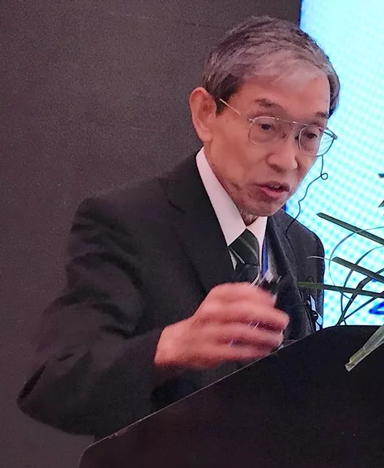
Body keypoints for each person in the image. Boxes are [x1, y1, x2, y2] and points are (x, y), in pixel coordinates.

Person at [17, 16, 340, 438]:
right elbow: (54, 383)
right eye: (265, 127)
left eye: (310, 135)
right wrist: (171, 347)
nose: (287, 160)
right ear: (206, 114)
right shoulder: (127, 222)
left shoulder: (303, 245)